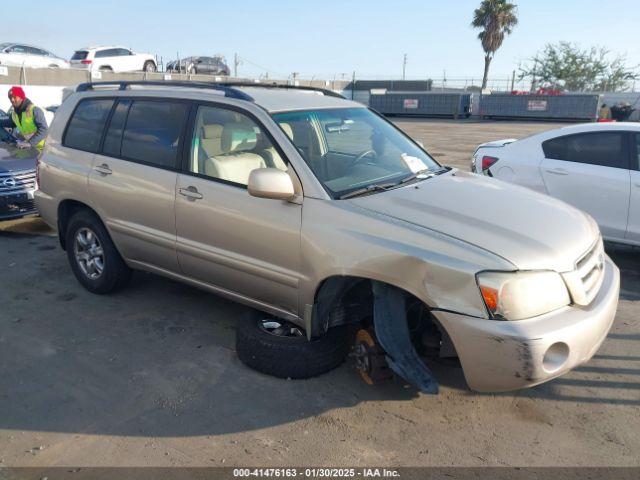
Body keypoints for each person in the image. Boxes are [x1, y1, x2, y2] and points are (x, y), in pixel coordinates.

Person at [0, 86, 48, 150]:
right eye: (10, 98)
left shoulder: (34, 110)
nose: (12, 100)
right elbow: (10, 123)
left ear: (21, 97)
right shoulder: (15, 114)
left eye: (14, 97)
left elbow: (44, 129)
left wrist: (30, 143)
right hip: (30, 149)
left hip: (43, 149)